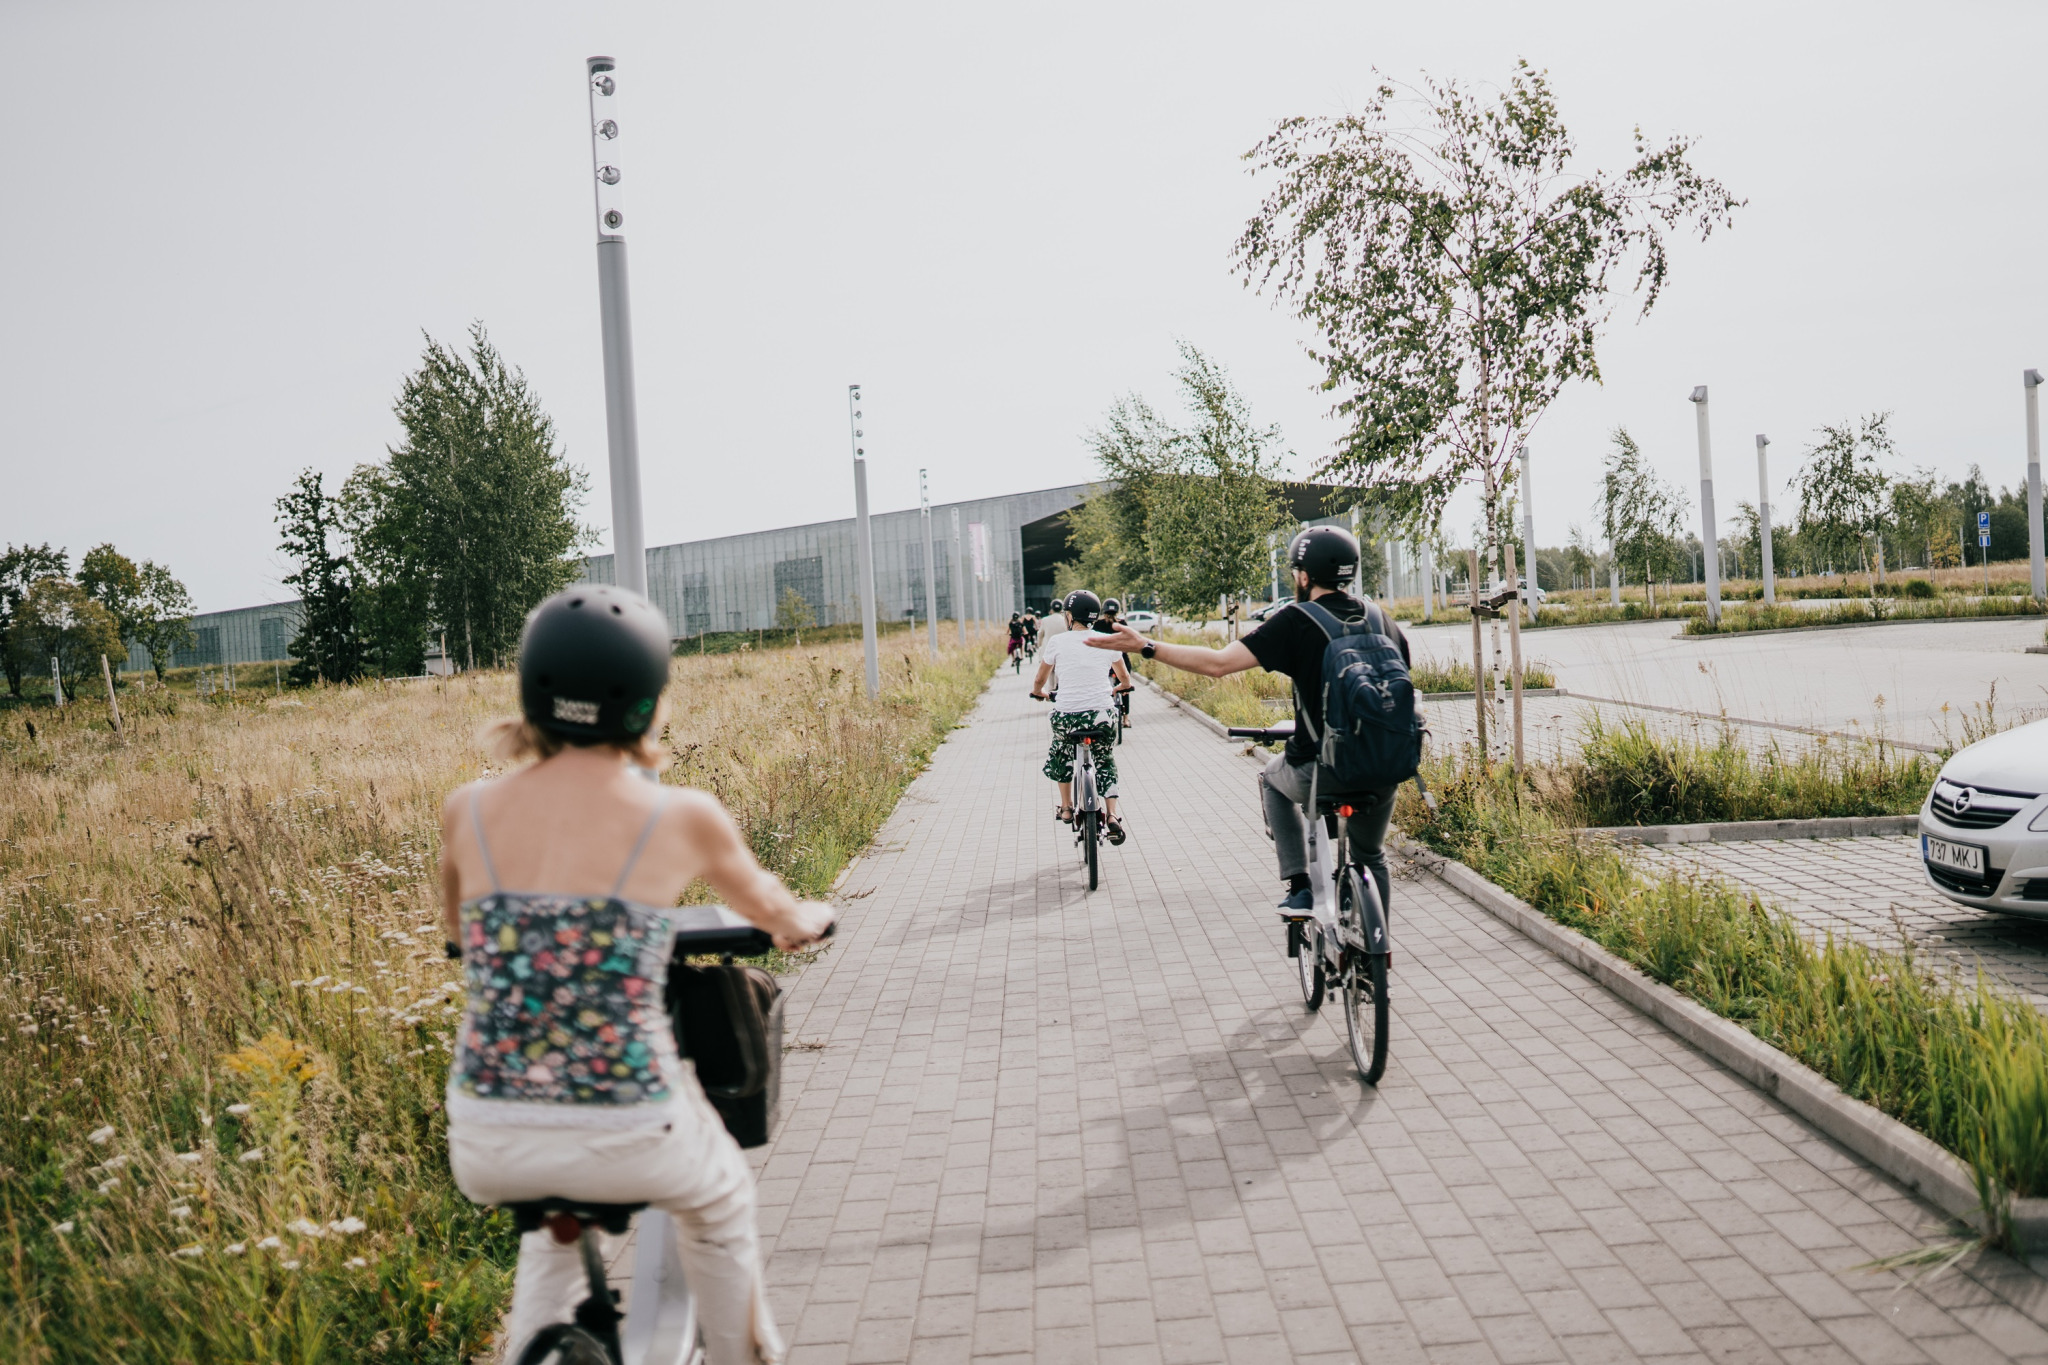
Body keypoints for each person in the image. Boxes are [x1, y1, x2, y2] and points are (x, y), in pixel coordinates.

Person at [437, 584, 832, 1365]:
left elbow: (456, 933)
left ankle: (531, 1351)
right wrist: (807, 921)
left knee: (554, 1228)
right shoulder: (681, 814)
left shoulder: (468, 809)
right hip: (627, 1121)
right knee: (720, 1199)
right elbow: (778, 914)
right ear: (649, 701)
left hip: (487, 1129)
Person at [1084, 527, 1408, 914]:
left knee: (1272, 779)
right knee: (1371, 857)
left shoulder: (1296, 620)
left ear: (1304, 576)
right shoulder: (1382, 620)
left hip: (1324, 767)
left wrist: (1146, 647)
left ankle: (1300, 886)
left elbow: (1218, 664)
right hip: (1387, 764)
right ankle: (1375, 962)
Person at [1029, 589, 1131, 843]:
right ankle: (1112, 816)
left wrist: (1038, 692)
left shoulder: (1058, 642)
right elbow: (1124, 678)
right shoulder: (1107, 641)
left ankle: (1065, 807)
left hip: (1068, 716)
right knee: (1105, 758)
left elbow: (1040, 679)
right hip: (1102, 716)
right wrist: (1118, 688)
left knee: (1061, 753)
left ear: (1071, 616)